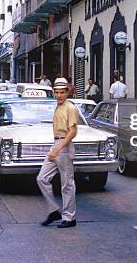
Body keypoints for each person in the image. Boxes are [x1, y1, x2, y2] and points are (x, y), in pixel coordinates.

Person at [37, 77, 78, 229]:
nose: (59, 95)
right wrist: (55, 148)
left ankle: (69, 217)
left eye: (62, 92)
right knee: (42, 178)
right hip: (56, 144)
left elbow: (73, 132)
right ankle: (54, 210)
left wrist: (58, 148)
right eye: (56, 92)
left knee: (67, 184)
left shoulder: (70, 108)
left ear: (68, 92)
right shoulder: (58, 106)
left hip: (64, 146)